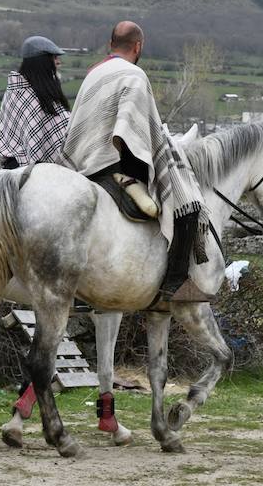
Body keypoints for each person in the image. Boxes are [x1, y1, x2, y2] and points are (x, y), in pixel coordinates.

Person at [60, 21, 213, 302]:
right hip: (113, 165)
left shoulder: (93, 73)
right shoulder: (134, 75)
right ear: (138, 46)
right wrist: (147, 172)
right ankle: (176, 282)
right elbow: (135, 136)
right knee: (188, 203)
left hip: (82, 162)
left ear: (110, 44)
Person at [0, 36, 70, 169]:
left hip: (11, 167)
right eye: (54, 57)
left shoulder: (14, 90)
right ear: (42, 61)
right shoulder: (36, 95)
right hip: (33, 169)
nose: (58, 62)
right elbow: (63, 134)